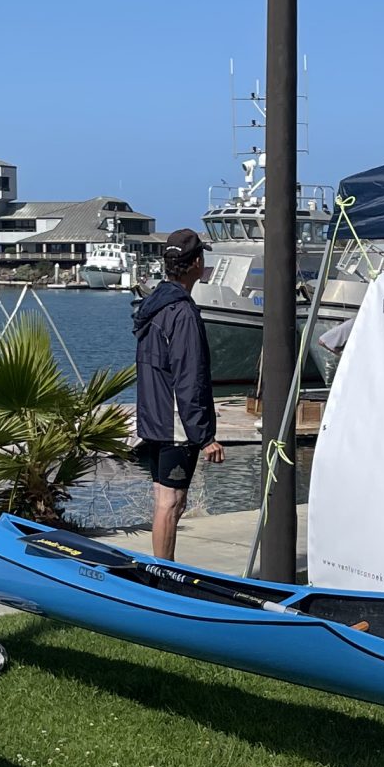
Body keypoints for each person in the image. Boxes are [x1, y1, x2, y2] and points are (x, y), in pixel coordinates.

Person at [132, 227, 224, 560]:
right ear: (196, 263)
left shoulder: (154, 305)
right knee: (171, 502)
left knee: (164, 498)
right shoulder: (182, 313)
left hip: (154, 418)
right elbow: (189, 377)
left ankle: (161, 567)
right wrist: (204, 436)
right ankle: (164, 572)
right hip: (176, 425)